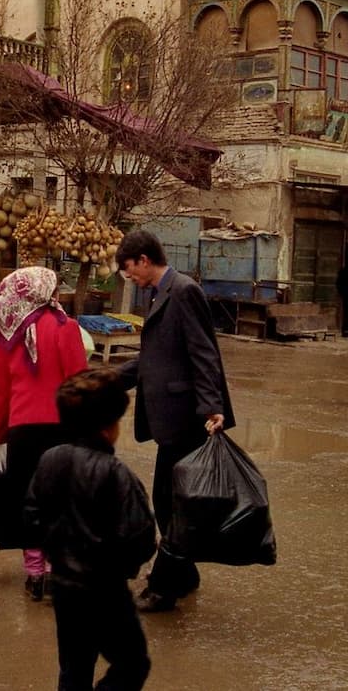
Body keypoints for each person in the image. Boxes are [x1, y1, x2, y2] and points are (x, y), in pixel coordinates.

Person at [113, 228, 235, 613]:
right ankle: (184, 574)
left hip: (188, 417)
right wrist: (108, 379)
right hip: (171, 417)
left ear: (144, 260)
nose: (127, 275)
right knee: (171, 502)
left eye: (128, 268)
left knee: (172, 504)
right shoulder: (157, 292)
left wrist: (212, 406)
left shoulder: (184, 291)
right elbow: (155, 357)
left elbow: (203, 352)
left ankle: (166, 587)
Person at [25, 369, 156, 691]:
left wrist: (55, 550)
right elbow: (140, 538)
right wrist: (119, 567)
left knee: (73, 668)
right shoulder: (116, 473)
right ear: (109, 428)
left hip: (65, 586)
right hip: (105, 590)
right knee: (132, 663)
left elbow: (31, 517)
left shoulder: (50, 459)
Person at [0, 265, 89, 601]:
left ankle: (34, 572)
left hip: (22, 432)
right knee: (61, 502)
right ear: (48, 293)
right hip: (62, 429)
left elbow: (1, 392)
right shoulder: (67, 328)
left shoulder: (8, 334)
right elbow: (79, 386)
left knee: (29, 502)